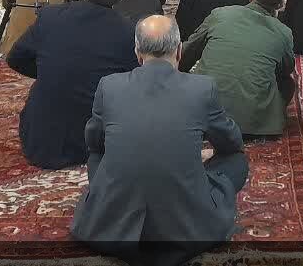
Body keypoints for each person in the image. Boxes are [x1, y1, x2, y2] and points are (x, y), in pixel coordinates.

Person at [70, 16, 247, 266]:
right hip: (187, 232)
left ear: (137, 52)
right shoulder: (202, 88)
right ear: (179, 50)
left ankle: (109, 205)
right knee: (237, 160)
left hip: (112, 232)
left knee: (97, 155)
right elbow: (232, 143)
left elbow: (94, 144)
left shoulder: (109, 86)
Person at [7, 0, 136, 169]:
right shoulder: (128, 30)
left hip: (40, 140)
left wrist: (51, 73)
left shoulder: (50, 16)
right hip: (95, 142)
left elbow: (15, 59)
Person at [180, 0, 295, 137]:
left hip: (204, 116)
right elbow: (285, 70)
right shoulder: (283, 32)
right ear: (280, 5)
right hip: (254, 125)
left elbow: (187, 52)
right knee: (288, 83)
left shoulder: (220, 14)